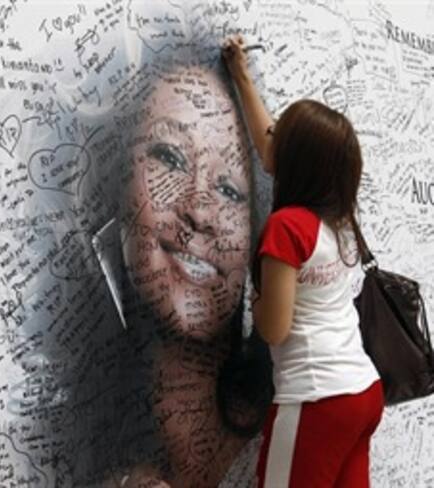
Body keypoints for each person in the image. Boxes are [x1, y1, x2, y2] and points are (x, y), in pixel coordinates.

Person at [92, 54, 272, 488]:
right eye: (170, 158)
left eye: (230, 189)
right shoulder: (72, 434)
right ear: (117, 187)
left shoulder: (286, 430)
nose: (200, 211)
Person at [221, 35, 384, 487]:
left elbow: (273, 329)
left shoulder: (287, 228)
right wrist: (241, 76)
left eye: (280, 135)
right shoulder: (338, 221)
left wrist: (254, 294)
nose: (270, 138)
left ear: (295, 161)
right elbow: (270, 150)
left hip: (316, 401)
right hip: (362, 393)